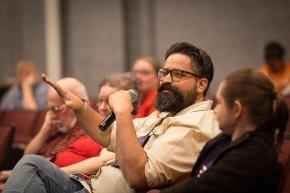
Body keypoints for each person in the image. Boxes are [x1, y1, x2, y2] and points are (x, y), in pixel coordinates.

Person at [3, 42, 220, 193]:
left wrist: (123, 113)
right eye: (164, 72)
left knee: (31, 168)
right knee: (31, 165)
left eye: (178, 74)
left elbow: (138, 177)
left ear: (202, 84)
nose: (166, 80)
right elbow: (107, 134)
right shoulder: (164, 115)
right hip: (86, 186)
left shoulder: (196, 126)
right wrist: (80, 107)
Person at [152, 69, 289, 193]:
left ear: (237, 109)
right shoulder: (224, 139)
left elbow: (199, 188)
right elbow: (195, 181)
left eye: (220, 103)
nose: (215, 109)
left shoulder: (253, 156)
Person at [0, 78, 97, 184]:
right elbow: (26, 155)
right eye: (49, 109)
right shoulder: (56, 126)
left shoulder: (92, 130)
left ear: (73, 104)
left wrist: (22, 173)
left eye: (56, 109)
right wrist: (45, 130)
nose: (52, 115)